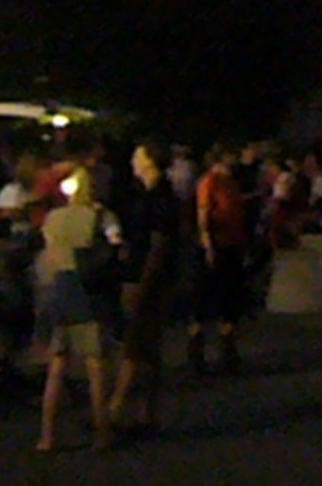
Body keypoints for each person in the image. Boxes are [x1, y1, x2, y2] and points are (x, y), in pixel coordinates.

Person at [35, 169, 118, 452]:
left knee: (57, 366)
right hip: (88, 290)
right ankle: (102, 433)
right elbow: (116, 244)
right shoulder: (101, 216)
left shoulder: (53, 218)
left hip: (60, 289)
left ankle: (47, 436)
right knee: (95, 366)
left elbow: (49, 252)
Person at [109, 142, 180, 436]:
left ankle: (113, 412)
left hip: (146, 277)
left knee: (134, 345)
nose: (133, 160)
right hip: (145, 273)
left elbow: (159, 244)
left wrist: (143, 280)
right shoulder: (148, 194)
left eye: (138, 155)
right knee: (148, 347)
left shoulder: (159, 198)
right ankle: (146, 414)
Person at [189, 143, 249, 374]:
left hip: (232, 242)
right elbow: (203, 212)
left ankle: (227, 347)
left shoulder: (232, 183)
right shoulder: (211, 181)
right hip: (216, 243)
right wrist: (207, 243)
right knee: (205, 296)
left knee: (229, 296)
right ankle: (198, 347)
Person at [0, 149, 41, 391]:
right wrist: (26, 211)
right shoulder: (11, 192)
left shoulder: (33, 192)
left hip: (25, 251)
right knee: (12, 306)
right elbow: (2, 215)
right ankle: (5, 361)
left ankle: (15, 360)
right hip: (12, 252)